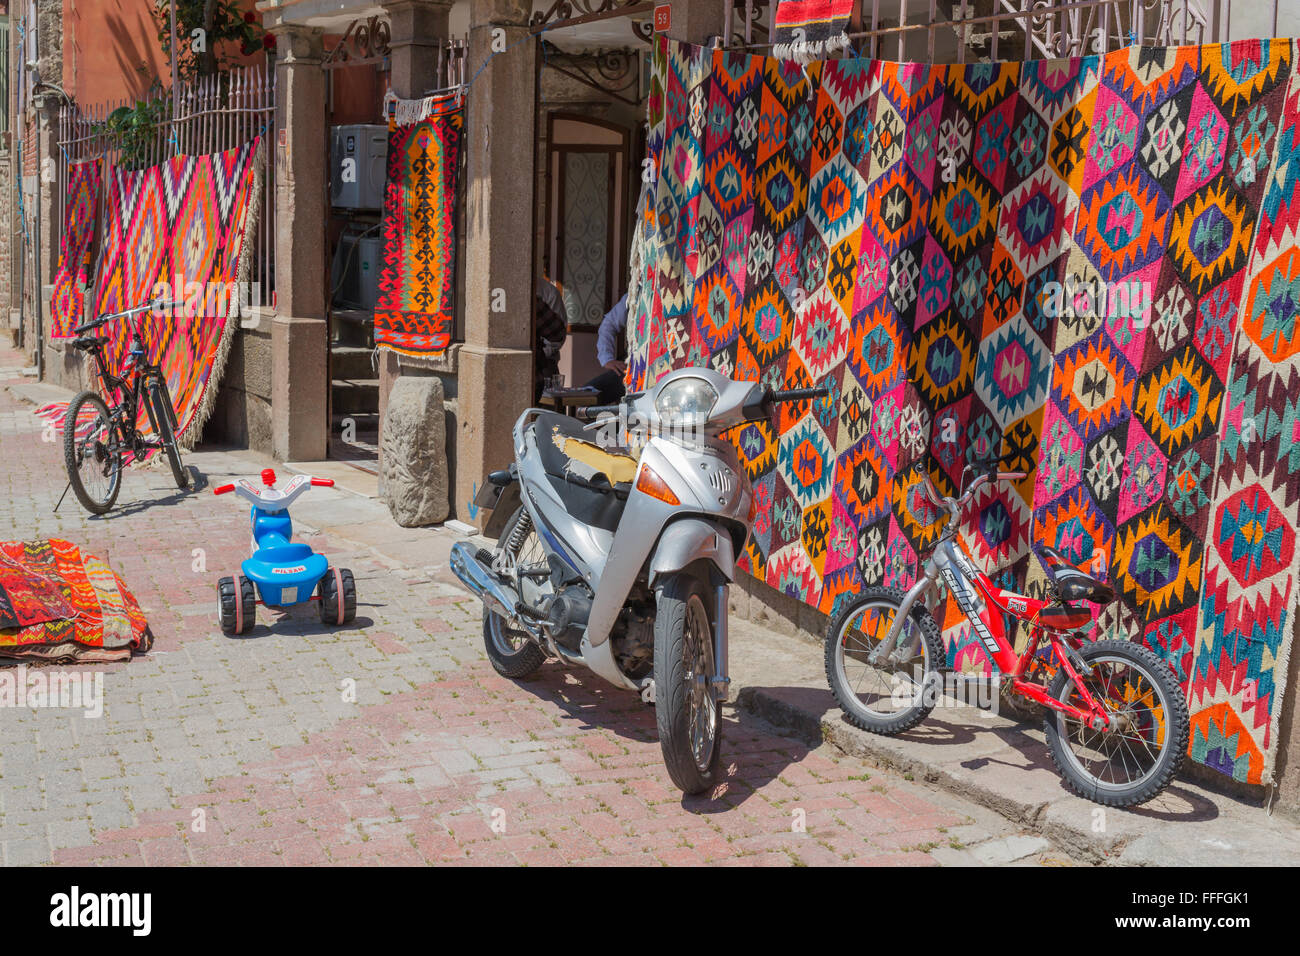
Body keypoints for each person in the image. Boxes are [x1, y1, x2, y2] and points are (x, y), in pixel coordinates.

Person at [585, 292, 628, 404]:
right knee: (587, 395)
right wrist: (607, 358)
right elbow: (609, 324)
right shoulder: (636, 292)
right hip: (634, 365)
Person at [535, 274, 568, 402]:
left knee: (548, 409)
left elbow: (557, 337)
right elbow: (557, 333)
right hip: (537, 368)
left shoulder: (548, 292)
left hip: (544, 364)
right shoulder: (533, 297)